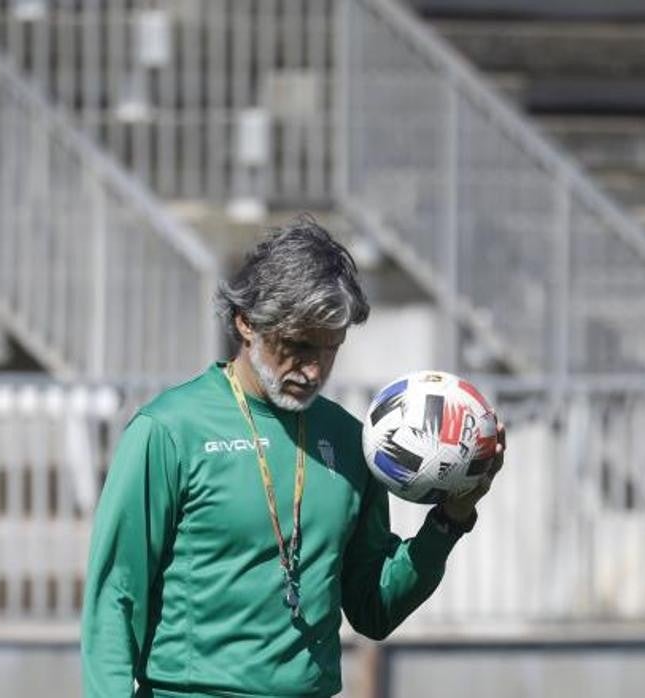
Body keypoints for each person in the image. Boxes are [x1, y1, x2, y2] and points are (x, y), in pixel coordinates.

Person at [81, 216, 504, 697]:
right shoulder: (169, 431)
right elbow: (115, 596)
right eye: (298, 346)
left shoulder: (349, 441)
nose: (314, 369)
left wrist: (449, 520)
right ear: (246, 322)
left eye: (331, 349)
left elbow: (374, 609)